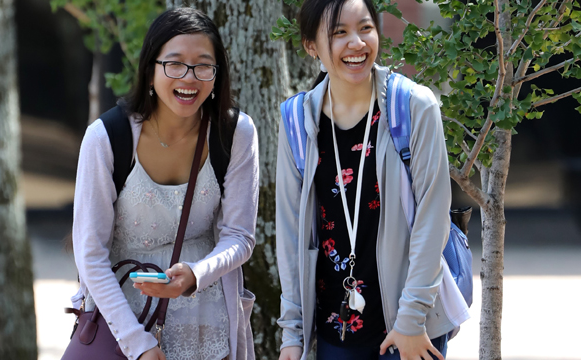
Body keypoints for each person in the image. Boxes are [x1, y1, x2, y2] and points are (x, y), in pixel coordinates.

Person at [275, 0, 468, 359]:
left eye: (365, 28)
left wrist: (411, 319)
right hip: (338, 327)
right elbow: (290, 233)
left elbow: (433, 216)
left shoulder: (413, 106)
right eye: (339, 33)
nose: (357, 43)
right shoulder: (296, 120)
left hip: (411, 321)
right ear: (311, 46)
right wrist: (293, 332)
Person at [70, 8, 258, 360]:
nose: (189, 78)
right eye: (174, 64)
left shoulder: (235, 133)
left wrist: (196, 275)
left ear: (218, 74)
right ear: (150, 68)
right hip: (120, 318)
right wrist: (138, 344)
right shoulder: (107, 137)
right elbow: (90, 254)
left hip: (207, 315)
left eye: (204, 65)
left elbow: (240, 236)